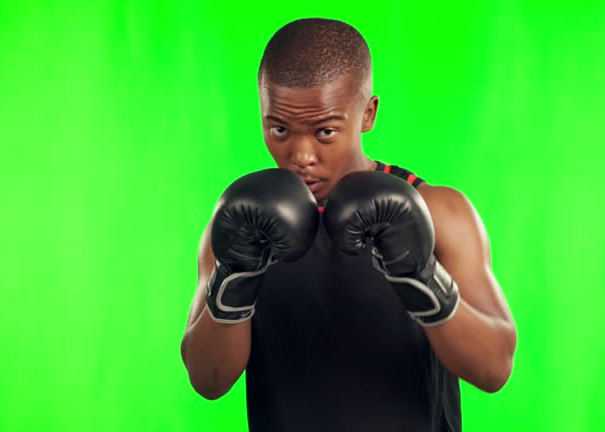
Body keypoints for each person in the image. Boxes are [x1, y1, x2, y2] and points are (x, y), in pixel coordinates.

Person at [180, 18, 517, 432]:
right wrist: (237, 275)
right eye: (279, 129)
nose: (300, 154)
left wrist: (422, 278)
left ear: (368, 113)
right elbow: (208, 380)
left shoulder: (438, 210)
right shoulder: (241, 218)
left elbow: (494, 369)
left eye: (325, 131)